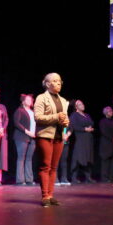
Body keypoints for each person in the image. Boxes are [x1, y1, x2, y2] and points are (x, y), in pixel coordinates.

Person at [34, 73, 69, 207]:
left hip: (58, 136)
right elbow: (37, 117)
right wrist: (56, 117)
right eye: (54, 81)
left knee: (54, 168)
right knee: (45, 166)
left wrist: (66, 121)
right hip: (45, 135)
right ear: (47, 84)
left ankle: (51, 194)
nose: (58, 83)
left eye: (59, 81)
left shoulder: (63, 100)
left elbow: (63, 118)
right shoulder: (41, 98)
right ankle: (45, 196)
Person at [13, 94, 36, 186]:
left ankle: (29, 179)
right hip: (21, 137)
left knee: (29, 159)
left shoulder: (33, 112)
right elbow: (16, 123)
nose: (30, 101)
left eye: (30, 99)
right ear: (23, 101)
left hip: (32, 137)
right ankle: (20, 180)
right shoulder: (19, 110)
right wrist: (27, 131)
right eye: (27, 99)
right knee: (21, 158)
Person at [69, 100, 96, 184]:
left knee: (88, 157)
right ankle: (74, 177)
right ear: (76, 107)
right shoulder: (74, 115)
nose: (82, 105)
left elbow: (91, 122)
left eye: (82, 103)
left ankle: (88, 177)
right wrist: (85, 129)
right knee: (78, 157)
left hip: (88, 139)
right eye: (80, 104)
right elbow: (74, 126)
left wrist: (90, 128)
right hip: (80, 138)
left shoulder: (86, 115)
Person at [99, 106, 113, 183]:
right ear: (106, 113)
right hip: (106, 144)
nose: (111, 112)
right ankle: (104, 178)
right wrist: (112, 138)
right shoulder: (103, 121)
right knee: (105, 161)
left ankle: (111, 178)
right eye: (109, 111)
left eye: (111, 111)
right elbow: (104, 132)